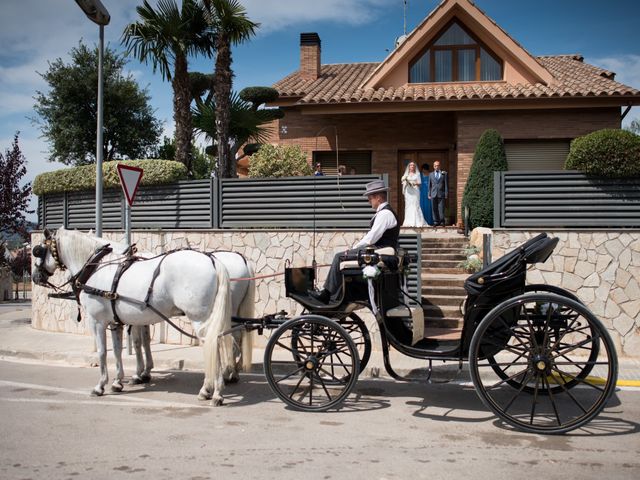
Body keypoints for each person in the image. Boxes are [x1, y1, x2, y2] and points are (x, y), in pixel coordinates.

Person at [309, 179, 399, 303]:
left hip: (379, 251)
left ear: (378, 197)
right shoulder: (385, 213)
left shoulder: (385, 214)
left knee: (339, 257)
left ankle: (327, 294)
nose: (369, 201)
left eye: (370, 198)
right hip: (380, 250)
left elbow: (371, 237)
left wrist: (354, 248)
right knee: (341, 256)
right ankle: (335, 294)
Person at [401, 162, 427, 227]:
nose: (412, 166)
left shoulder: (417, 174)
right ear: (409, 167)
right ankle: (408, 222)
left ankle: (417, 221)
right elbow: (403, 182)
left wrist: (414, 184)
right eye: (411, 165)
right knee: (408, 206)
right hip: (408, 192)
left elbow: (420, 184)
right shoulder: (406, 175)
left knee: (416, 205)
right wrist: (406, 182)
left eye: (413, 165)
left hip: (415, 191)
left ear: (415, 167)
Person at [428, 160, 448, 226]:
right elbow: (429, 185)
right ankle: (435, 221)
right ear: (433, 167)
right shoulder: (430, 174)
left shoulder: (443, 174)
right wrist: (429, 194)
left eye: (438, 165)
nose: (437, 167)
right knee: (434, 208)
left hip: (441, 193)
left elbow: (445, 184)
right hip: (433, 194)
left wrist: (446, 193)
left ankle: (442, 221)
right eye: (435, 166)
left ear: (440, 166)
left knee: (441, 208)